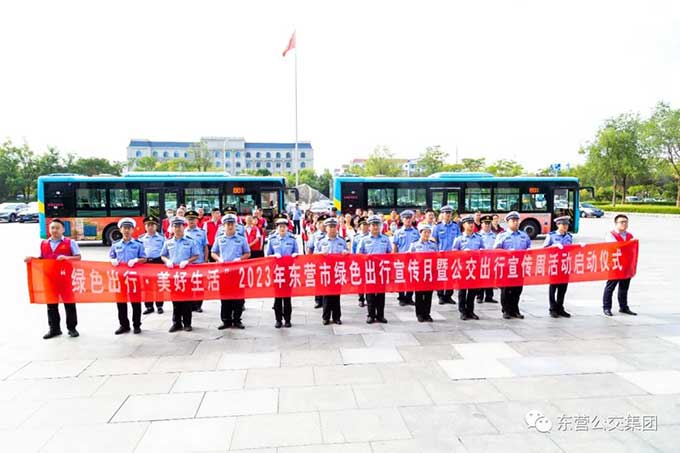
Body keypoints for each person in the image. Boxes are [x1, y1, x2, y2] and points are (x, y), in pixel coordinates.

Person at [25, 219, 81, 339]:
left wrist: (66, 258)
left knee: (69, 304)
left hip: (66, 278)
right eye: (52, 228)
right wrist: (31, 259)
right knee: (51, 305)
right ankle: (54, 329)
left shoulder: (70, 242)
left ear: (63, 229)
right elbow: (41, 258)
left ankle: (72, 328)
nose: (54, 230)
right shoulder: (44, 243)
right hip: (49, 278)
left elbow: (78, 257)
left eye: (57, 228)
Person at [161, 216, 200, 332]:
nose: (177, 228)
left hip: (186, 274)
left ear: (184, 227)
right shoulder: (168, 242)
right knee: (175, 300)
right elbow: (163, 255)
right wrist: (167, 261)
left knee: (187, 300)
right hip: (174, 275)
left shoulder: (190, 241)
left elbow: (196, 255)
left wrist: (187, 261)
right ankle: (176, 323)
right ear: (172, 228)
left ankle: (187, 323)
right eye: (175, 226)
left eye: (180, 226)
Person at [109, 217, 147, 334]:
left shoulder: (138, 244)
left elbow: (144, 258)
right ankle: (124, 325)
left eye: (129, 228)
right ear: (120, 230)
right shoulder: (115, 245)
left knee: (135, 302)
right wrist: (112, 260)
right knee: (121, 302)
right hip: (120, 277)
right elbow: (111, 256)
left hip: (134, 277)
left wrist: (136, 260)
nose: (126, 230)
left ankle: (137, 324)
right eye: (124, 228)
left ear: (132, 230)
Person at [212, 213, 250, 330]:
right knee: (225, 297)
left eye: (232, 224)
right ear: (223, 226)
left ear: (235, 225)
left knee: (238, 297)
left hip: (238, 272)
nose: (230, 226)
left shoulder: (241, 239)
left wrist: (240, 259)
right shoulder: (219, 239)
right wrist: (219, 259)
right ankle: (226, 320)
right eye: (227, 224)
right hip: (224, 272)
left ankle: (237, 320)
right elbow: (213, 252)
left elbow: (247, 253)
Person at [494, 211, 531, 319]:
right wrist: (507, 252)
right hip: (506, 266)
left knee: (517, 289)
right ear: (508, 222)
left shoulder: (524, 235)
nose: (515, 222)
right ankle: (506, 310)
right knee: (506, 289)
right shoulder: (502, 235)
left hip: (519, 266)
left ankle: (515, 310)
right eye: (513, 221)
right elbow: (496, 250)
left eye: (517, 220)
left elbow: (529, 248)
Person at [358, 215, 392, 324]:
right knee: (370, 294)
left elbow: (390, 253)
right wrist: (366, 258)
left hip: (382, 270)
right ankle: (371, 315)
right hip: (369, 270)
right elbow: (359, 254)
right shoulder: (364, 240)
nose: (375, 227)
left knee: (381, 293)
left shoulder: (385, 239)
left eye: (377, 225)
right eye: (373, 225)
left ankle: (380, 315)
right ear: (369, 226)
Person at [266, 215, 299, 328]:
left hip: (288, 271)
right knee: (278, 297)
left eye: (284, 226)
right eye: (280, 226)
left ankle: (288, 319)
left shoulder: (292, 239)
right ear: (277, 228)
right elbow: (268, 255)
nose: (282, 228)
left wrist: (295, 255)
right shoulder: (272, 239)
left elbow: (296, 252)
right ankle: (278, 320)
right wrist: (273, 256)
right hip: (277, 272)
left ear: (287, 228)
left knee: (287, 297)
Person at [314, 217, 348, 325]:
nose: (332, 229)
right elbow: (314, 254)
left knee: (336, 295)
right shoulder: (321, 241)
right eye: (330, 227)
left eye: (334, 226)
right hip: (326, 271)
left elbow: (347, 254)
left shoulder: (341, 241)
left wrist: (345, 253)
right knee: (326, 295)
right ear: (326, 228)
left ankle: (337, 317)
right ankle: (326, 317)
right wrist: (320, 254)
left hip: (338, 270)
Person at [602, 214, 638, 317]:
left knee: (624, 287)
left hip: (626, 265)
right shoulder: (611, 235)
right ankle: (607, 307)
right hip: (615, 265)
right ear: (616, 223)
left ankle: (623, 307)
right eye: (622, 222)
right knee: (610, 287)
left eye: (626, 222)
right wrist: (628, 245)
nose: (624, 224)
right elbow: (615, 247)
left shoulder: (630, 235)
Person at [452, 214, 484, 320]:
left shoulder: (478, 238)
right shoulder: (459, 239)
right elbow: (453, 252)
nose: (471, 225)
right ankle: (462, 311)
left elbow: (483, 250)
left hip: (474, 267)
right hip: (463, 268)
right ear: (463, 225)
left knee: (472, 291)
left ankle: (470, 311)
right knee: (462, 291)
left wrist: (480, 251)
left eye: (472, 223)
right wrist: (462, 253)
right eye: (468, 223)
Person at [543, 215, 574, 318]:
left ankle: (560, 307)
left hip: (565, 265)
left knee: (563, 288)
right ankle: (552, 308)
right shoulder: (551, 236)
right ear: (557, 225)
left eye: (567, 224)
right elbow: (544, 249)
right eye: (563, 224)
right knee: (553, 288)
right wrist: (553, 246)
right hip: (554, 265)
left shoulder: (569, 237)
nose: (565, 226)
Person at [409, 223, 438, 322]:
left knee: (428, 295)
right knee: (419, 294)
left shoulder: (433, 245)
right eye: (424, 232)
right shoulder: (414, 245)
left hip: (429, 273)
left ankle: (427, 314)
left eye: (428, 232)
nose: (426, 234)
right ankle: (419, 314)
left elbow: (437, 257)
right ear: (420, 233)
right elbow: (409, 258)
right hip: (419, 273)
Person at [432, 205, 460, 305]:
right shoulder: (438, 227)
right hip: (441, 255)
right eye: (445, 213)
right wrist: (436, 253)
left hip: (452, 255)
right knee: (441, 275)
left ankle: (448, 296)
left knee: (451, 276)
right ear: (442, 214)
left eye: (449, 213)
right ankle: (441, 296)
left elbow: (459, 240)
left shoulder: (455, 226)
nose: (448, 215)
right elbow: (434, 240)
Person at [392, 210, 420, 306]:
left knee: (411, 278)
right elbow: (395, 245)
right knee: (401, 278)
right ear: (402, 220)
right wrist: (394, 258)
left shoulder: (416, 232)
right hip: (401, 259)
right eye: (406, 218)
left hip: (413, 259)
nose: (408, 220)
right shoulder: (398, 232)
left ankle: (409, 297)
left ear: (412, 219)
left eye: (409, 218)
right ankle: (401, 298)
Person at [139, 215, 166, 315]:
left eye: (152, 225)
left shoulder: (162, 238)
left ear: (156, 226)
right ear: (145, 226)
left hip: (158, 262)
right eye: (148, 225)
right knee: (147, 286)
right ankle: (149, 306)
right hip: (146, 263)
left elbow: (165, 251)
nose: (150, 227)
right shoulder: (141, 238)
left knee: (159, 284)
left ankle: (159, 306)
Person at [185, 210, 209, 313]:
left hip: (199, 262)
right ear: (186, 220)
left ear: (197, 220)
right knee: (188, 285)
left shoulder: (202, 232)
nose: (191, 221)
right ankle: (190, 305)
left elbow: (205, 247)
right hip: (187, 263)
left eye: (193, 219)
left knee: (199, 285)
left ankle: (198, 305)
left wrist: (205, 260)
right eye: (189, 219)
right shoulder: (183, 232)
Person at [476, 215, 499, 304]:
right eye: (485, 223)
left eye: (489, 223)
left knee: (490, 278)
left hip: (491, 259)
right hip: (481, 260)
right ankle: (479, 296)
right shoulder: (478, 235)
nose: (487, 225)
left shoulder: (494, 235)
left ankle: (489, 297)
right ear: (481, 224)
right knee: (481, 278)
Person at [306, 215, 327, 309]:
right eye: (321, 223)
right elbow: (310, 248)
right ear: (318, 224)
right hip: (318, 262)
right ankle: (318, 300)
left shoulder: (333, 234)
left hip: (329, 263)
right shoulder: (314, 235)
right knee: (318, 281)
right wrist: (309, 261)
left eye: (325, 222)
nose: (323, 225)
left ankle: (327, 300)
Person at [352, 216, 369, 307]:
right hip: (360, 262)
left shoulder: (372, 236)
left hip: (370, 262)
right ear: (359, 226)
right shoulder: (356, 237)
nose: (365, 226)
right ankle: (361, 298)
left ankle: (369, 298)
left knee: (370, 280)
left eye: (366, 224)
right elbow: (353, 250)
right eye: (363, 224)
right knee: (361, 281)